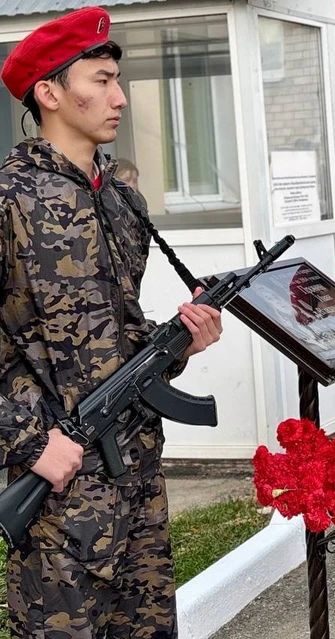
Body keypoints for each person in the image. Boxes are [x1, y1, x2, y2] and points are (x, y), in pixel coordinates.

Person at [0, 8, 223, 637]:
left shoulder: (122, 201)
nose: (118, 97)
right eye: (100, 80)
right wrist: (30, 441)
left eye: (117, 80)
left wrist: (178, 344)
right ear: (48, 92)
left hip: (138, 476)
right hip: (60, 487)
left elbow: (112, 331)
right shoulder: (9, 200)